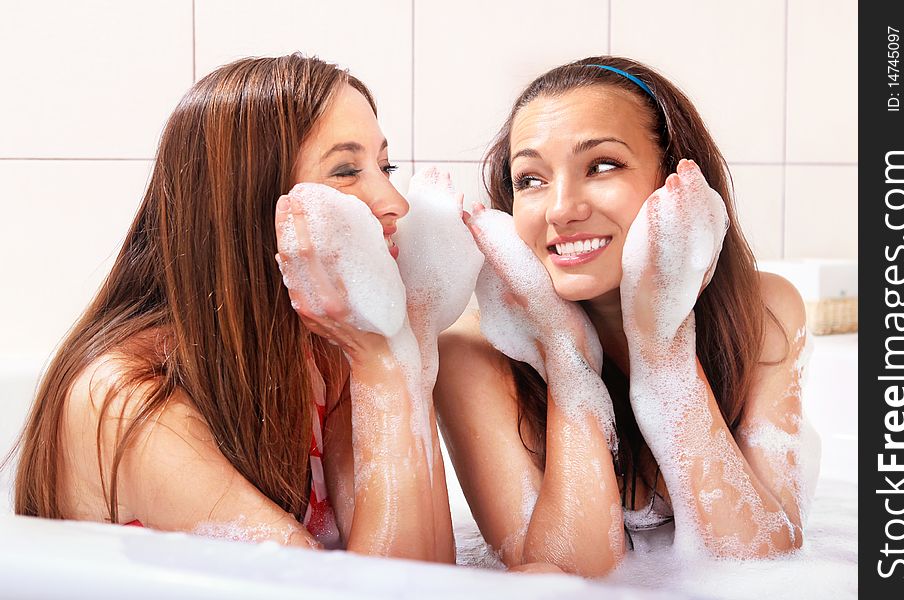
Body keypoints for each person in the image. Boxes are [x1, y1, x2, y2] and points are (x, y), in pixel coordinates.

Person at [12, 53, 455, 562]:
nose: (394, 200)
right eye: (347, 170)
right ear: (250, 201)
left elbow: (431, 572)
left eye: (384, 165)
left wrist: (407, 346)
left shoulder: (324, 348)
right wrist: (383, 360)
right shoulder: (128, 400)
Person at [434, 56, 819, 576]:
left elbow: (762, 563)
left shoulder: (765, 312)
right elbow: (561, 576)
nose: (560, 209)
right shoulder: (473, 354)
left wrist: (665, 349)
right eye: (530, 179)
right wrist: (564, 357)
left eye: (601, 166)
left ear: (673, 178)